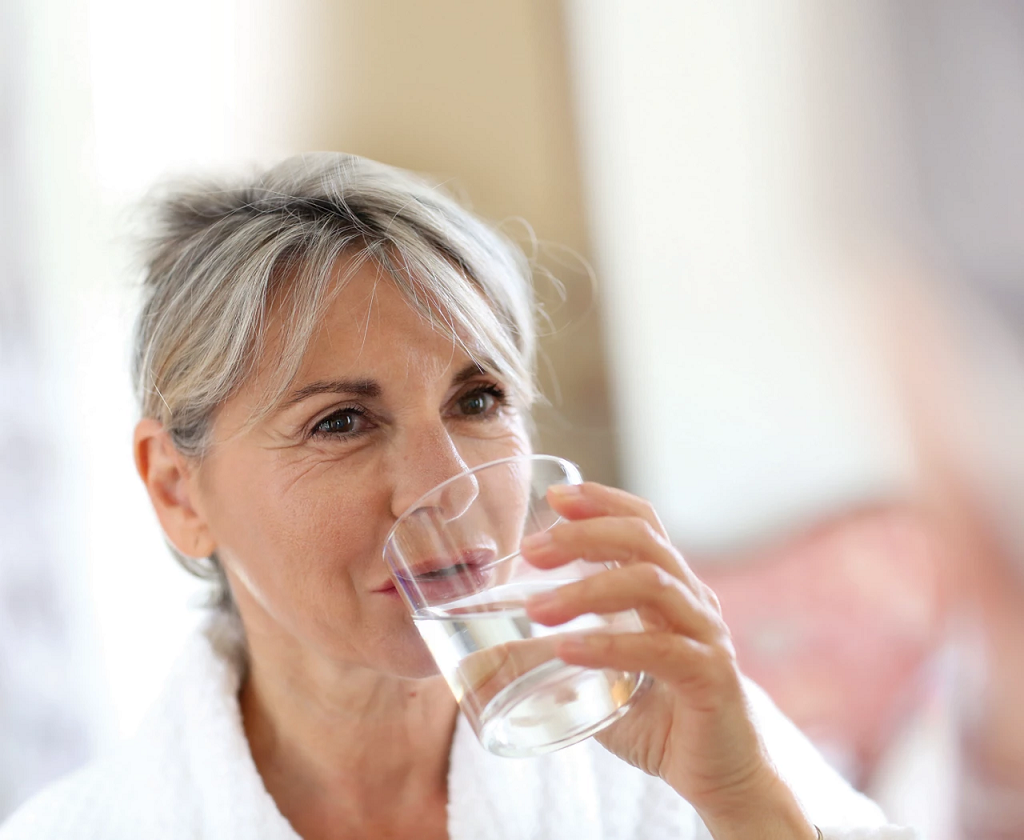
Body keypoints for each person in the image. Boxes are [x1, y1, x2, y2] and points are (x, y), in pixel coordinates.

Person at [0, 153, 914, 839]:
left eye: (478, 401)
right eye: (341, 423)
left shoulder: (679, 748)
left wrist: (746, 801)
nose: (444, 489)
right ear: (176, 489)